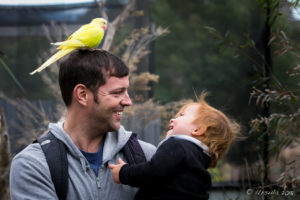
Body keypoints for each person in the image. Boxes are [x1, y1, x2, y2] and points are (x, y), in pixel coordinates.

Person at [9, 49, 156, 200]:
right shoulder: (33, 165)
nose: (128, 102)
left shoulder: (146, 156)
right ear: (83, 95)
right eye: (117, 92)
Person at [109, 93, 240, 200]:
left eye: (181, 116)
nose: (173, 119)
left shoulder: (176, 145)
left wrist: (123, 173)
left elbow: (153, 171)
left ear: (198, 130)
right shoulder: (200, 160)